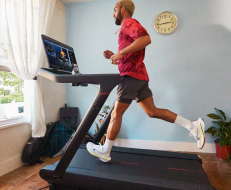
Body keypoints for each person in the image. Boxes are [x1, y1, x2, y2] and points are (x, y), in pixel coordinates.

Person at [87, 0, 205, 162]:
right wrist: (115, 55)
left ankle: (105, 151)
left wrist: (120, 54)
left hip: (131, 77)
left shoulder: (128, 22)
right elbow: (133, 51)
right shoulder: (127, 27)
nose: (113, 14)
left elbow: (145, 39)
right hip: (139, 76)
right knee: (152, 111)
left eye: (114, 10)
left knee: (116, 113)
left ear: (122, 9)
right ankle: (192, 126)